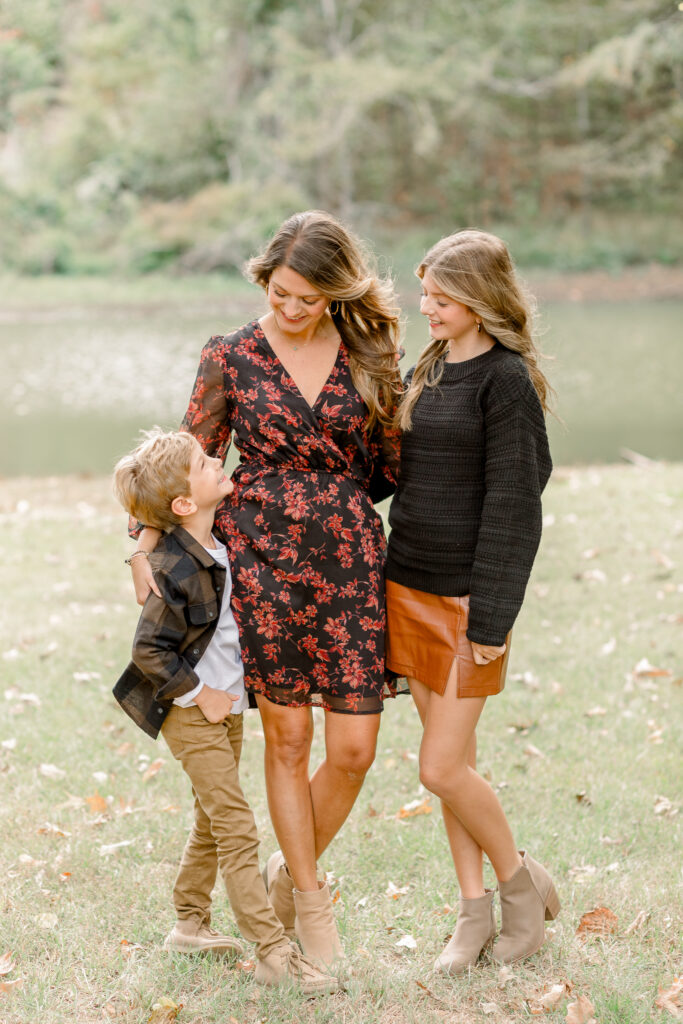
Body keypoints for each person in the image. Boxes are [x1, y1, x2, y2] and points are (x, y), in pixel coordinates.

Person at [129, 211, 403, 967]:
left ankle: (287, 874)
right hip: (259, 564)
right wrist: (142, 545)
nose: (290, 309)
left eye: (308, 299)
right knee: (287, 740)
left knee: (353, 747)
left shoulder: (371, 352)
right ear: (265, 280)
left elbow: (388, 463)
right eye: (281, 292)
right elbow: (186, 457)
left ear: (337, 294)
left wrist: (332, 504)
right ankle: (310, 912)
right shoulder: (232, 354)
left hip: (348, 564)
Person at [384, 229, 558, 974]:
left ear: (481, 298)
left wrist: (491, 617)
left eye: (441, 296)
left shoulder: (505, 380)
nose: (426, 306)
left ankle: (520, 888)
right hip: (406, 585)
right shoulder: (426, 367)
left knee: (440, 768)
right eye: (423, 292)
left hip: (463, 601)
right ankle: (471, 911)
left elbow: (515, 503)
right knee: (451, 762)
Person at [112, 430, 337, 995]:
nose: (219, 461)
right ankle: (273, 951)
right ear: (184, 503)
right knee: (236, 828)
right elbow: (148, 650)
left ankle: (188, 923)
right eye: (205, 462)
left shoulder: (213, 543)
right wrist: (199, 694)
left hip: (225, 709)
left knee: (212, 820)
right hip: (196, 712)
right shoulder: (176, 568)